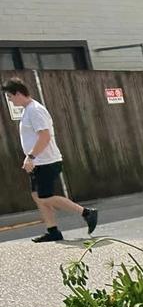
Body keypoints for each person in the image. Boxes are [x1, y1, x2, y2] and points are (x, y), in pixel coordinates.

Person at [2, 78, 99, 243]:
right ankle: (53, 231)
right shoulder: (27, 110)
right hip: (37, 162)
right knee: (37, 196)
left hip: (46, 161)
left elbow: (45, 136)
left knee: (45, 197)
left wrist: (31, 156)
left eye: (10, 96)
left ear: (18, 93)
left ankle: (86, 212)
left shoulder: (35, 110)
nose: (9, 100)